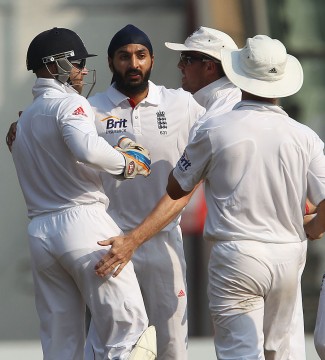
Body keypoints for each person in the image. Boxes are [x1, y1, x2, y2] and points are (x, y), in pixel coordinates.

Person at [95, 34, 325, 359]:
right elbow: (313, 201)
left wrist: (133, 239)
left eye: (187, 59)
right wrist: (306, 226)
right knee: (283, 352)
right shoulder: (303, 133)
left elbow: (178, 192)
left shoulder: (217, 120)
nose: (179, 66)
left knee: (240, 353)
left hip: (239, 251)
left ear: (209, 66)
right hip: (288, 250)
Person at [10, 27, 156, 360]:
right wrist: (126, 163)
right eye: (77, 63)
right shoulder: (69, 102)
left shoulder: (25, 119)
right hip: (83, 224)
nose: (84, 71)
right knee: (129, 332)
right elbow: (87, 149)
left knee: (61, 344)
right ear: (55, 64)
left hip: (41, 232)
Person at [85, 24, 206, 360]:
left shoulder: (180, 103)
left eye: (140, 55)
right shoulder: (89, 110)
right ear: (111, 62)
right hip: (110, 245)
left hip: (164, 241)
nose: (133, 63)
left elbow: (225, 131)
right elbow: (51, 129)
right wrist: (21, 125)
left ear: (152, 60)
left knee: (171, 345)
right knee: (112, 346)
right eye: (124, 56)